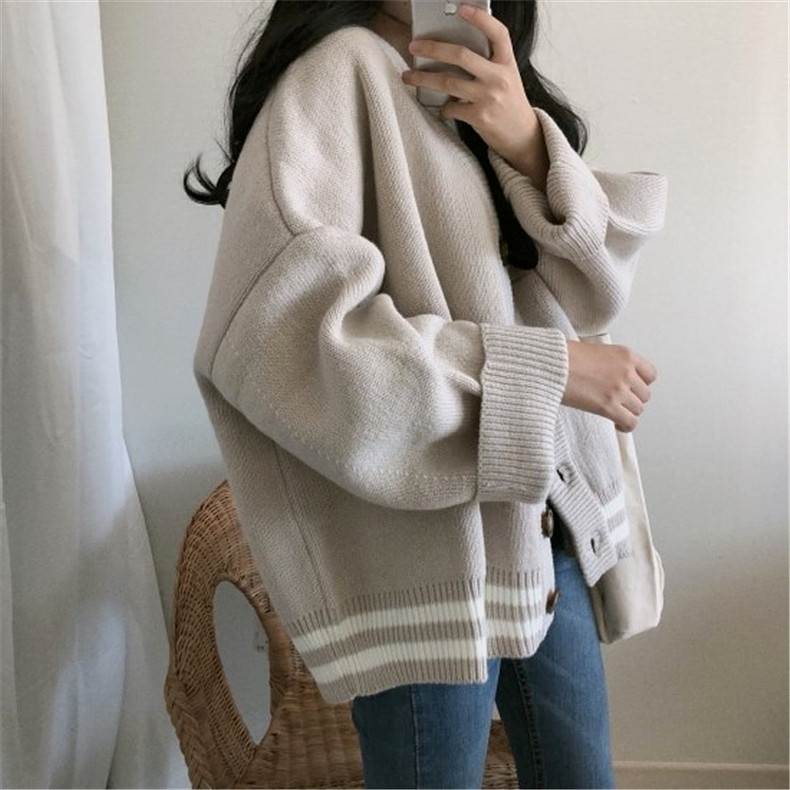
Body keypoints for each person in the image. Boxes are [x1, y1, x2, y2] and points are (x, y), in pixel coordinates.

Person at [184, 1, 668, 787]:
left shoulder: (487, 81)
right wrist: (552, 372)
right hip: (422, 556)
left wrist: (526, 142)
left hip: (545, 519)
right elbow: (284, 339)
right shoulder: (334, 74)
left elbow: (590, 293)